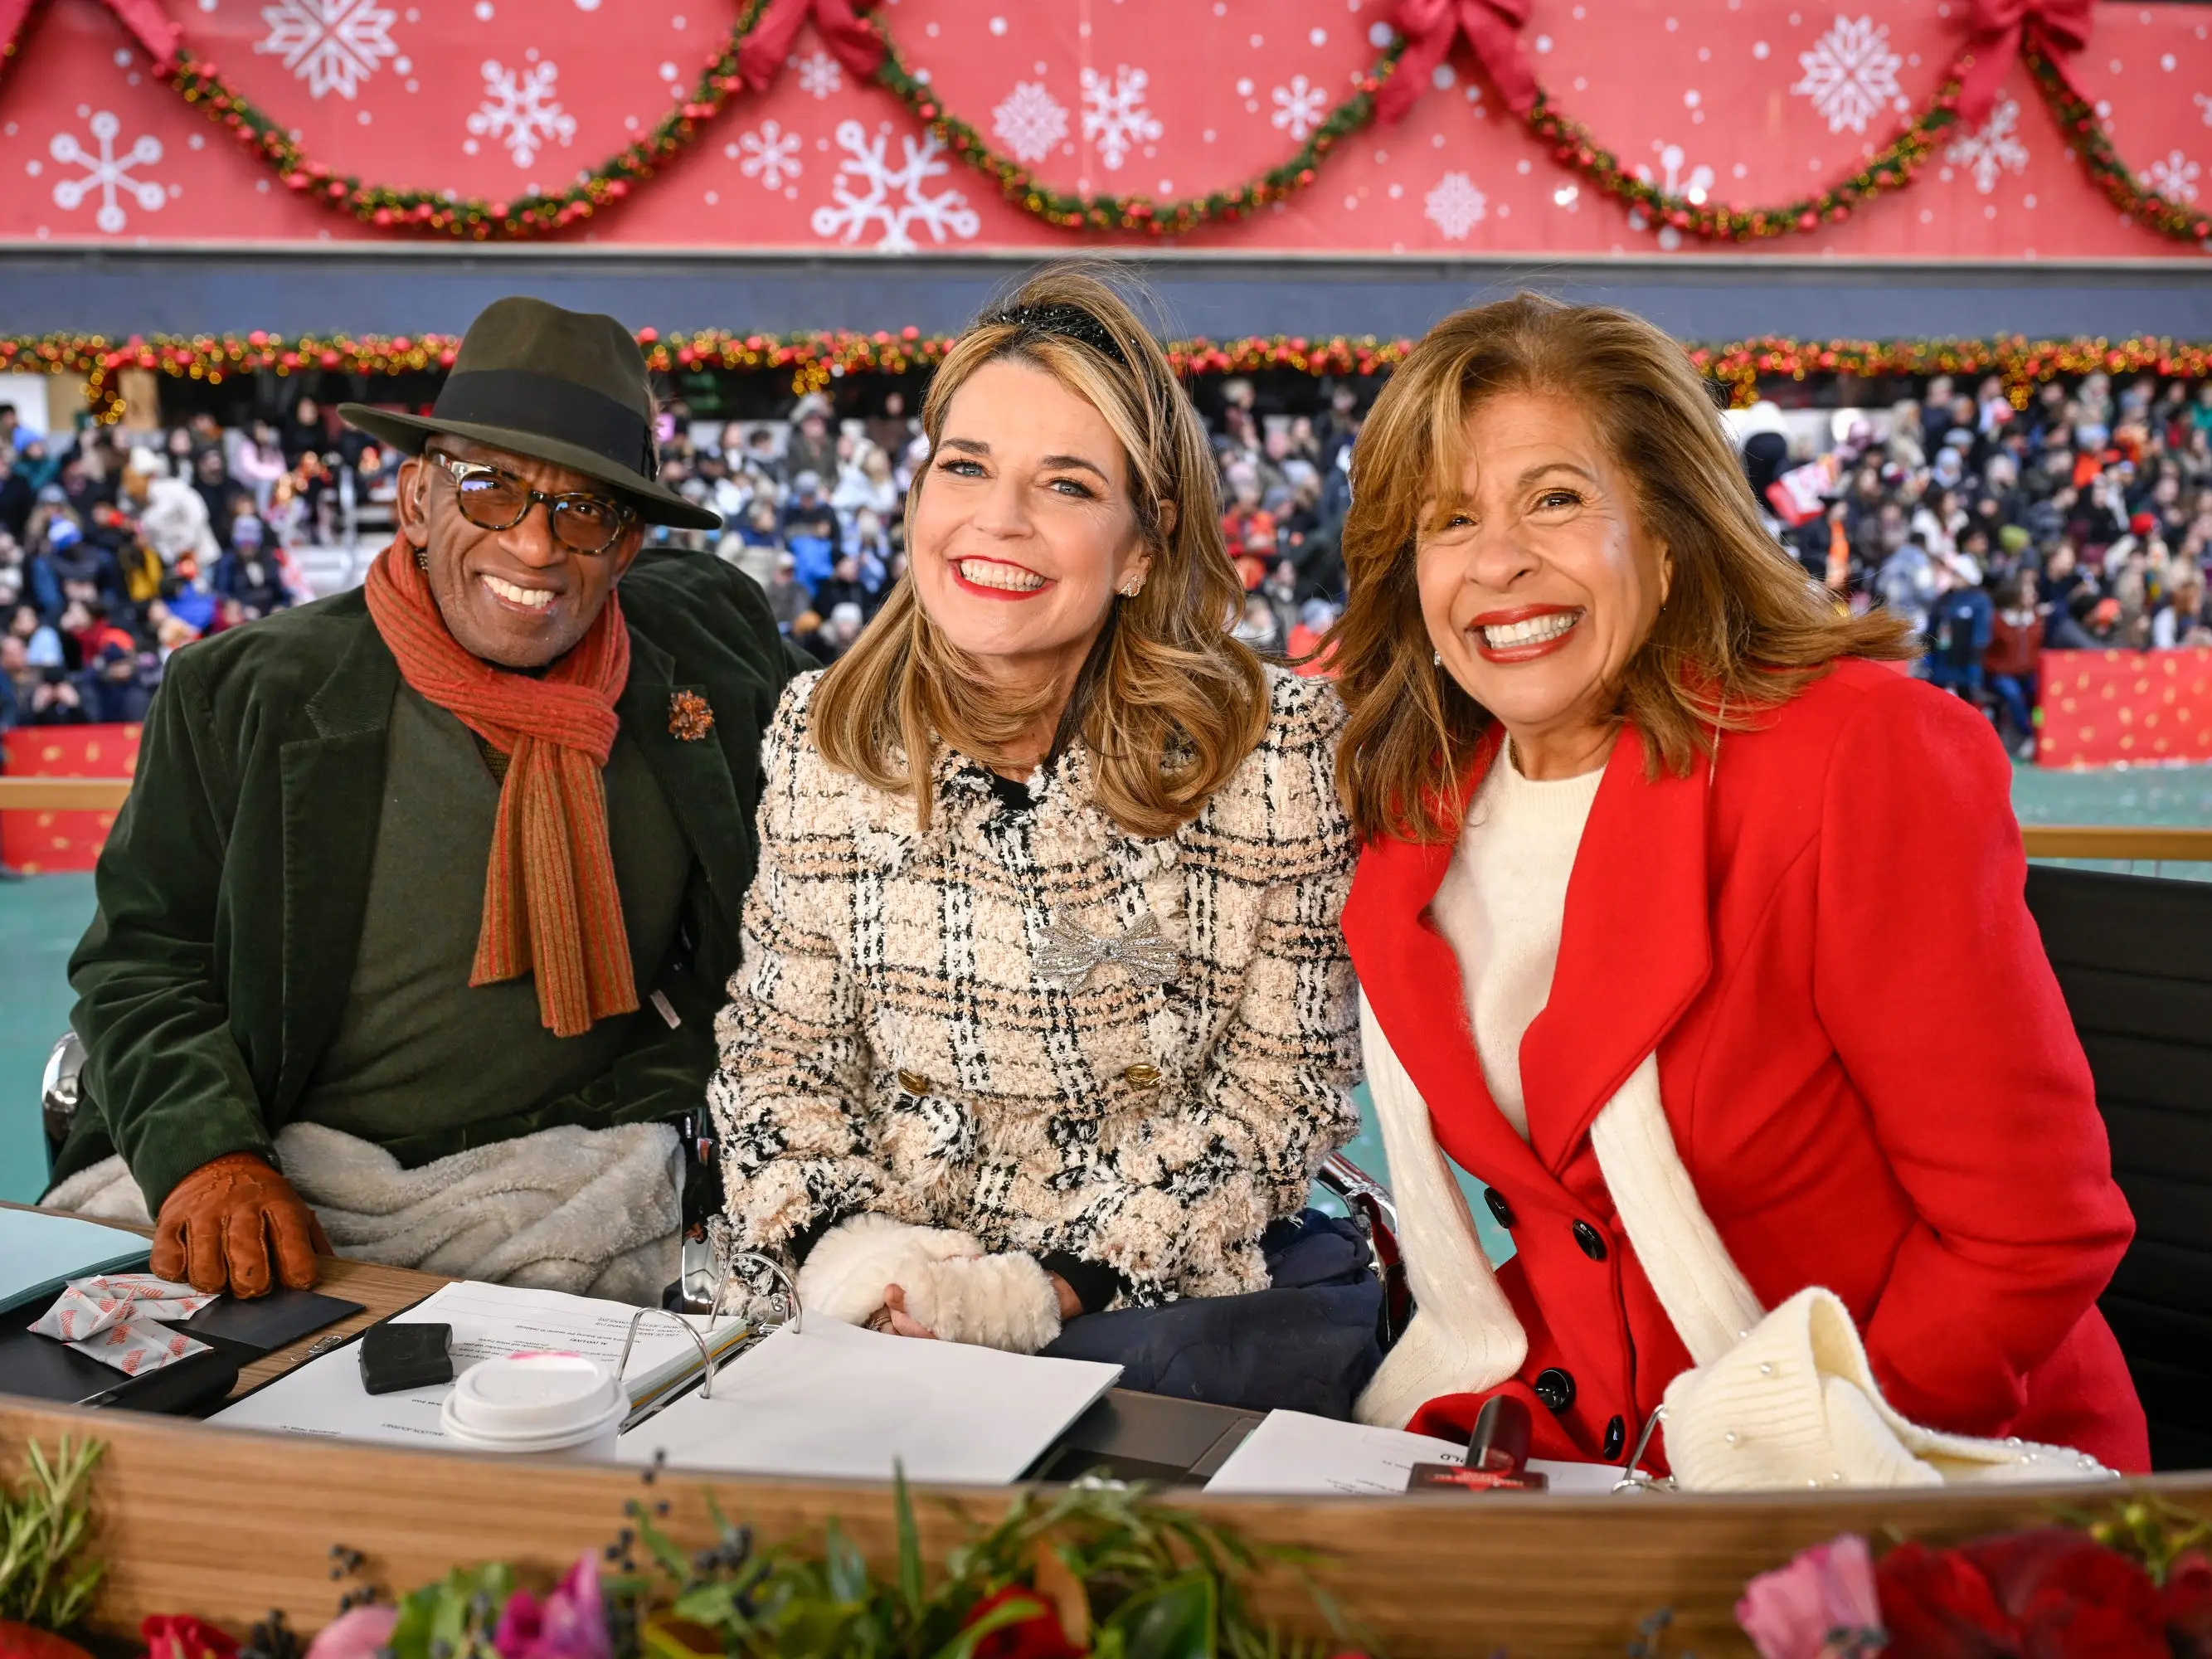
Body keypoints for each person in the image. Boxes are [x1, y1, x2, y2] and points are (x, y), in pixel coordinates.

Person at [1330, 294, 2146, 1476]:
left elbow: (2028, 1235)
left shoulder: (1854, 754)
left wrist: (1782, 1468)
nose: (1497, 559)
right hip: (1582, 1456)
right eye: (1450, 520)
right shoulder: (1411, 811)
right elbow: (1579, 1242)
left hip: (1895, 1454)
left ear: (1667, 538)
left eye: (1553, 499)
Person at [709, 268, 1373, 1416]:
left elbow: (1279, 1099)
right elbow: (781, 1059)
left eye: (1065, 484)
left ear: (1142, 547)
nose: (998, 520)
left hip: (1145, 1304)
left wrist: (1032, 1294)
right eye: (964, 467)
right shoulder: (827, 735)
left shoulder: (1274, 755)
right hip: (869, 1290)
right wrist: (860, 1263)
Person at [46, 297, 802, 1302]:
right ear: (415, 500)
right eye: (491, 490)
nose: (535, 545)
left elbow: (881, 725)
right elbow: (143, 961)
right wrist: (210, 1155)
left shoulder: (708, 645)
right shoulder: (241, 692)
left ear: (625, 549)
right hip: (292, 1152)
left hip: (575, 1165)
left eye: (584, 510)